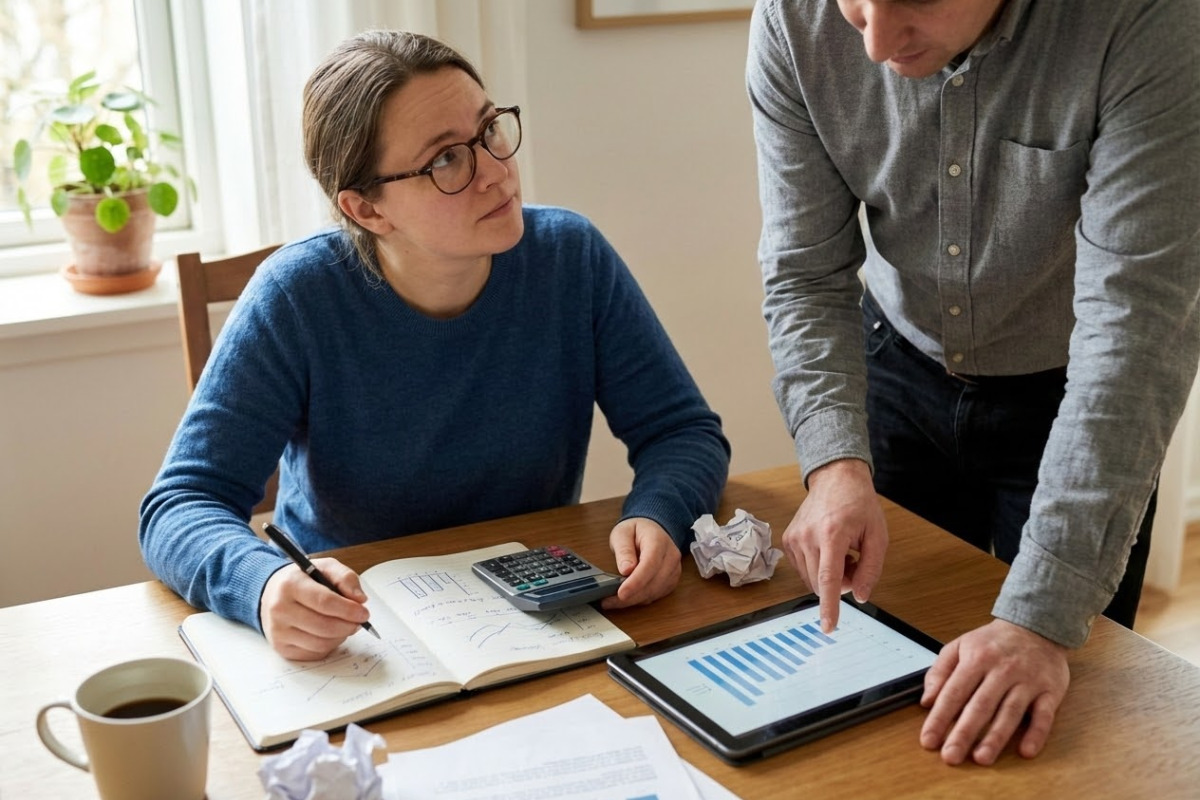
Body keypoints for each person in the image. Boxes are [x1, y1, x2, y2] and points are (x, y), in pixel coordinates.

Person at [140, 30, 730, 663]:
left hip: (536, 619)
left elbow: (682, 432)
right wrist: (263, 585)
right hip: (359, 634)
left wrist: (659, 513)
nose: (497, 171)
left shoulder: (570, 257)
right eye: (447, 159)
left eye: (490, 131)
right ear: (367, 209)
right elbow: (180, 504)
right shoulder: (296, 296)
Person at [748, 0, 1199, 767]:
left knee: (1041, 728)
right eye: (854, 4)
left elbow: (1133, 334)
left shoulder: (1147, 21)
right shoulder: (793, 18)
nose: (878, 44)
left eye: (913, 0)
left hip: (1077, 403)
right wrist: (832, 467)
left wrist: (1040, 621)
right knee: (876, 713)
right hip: (895, 367)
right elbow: (803, 273)